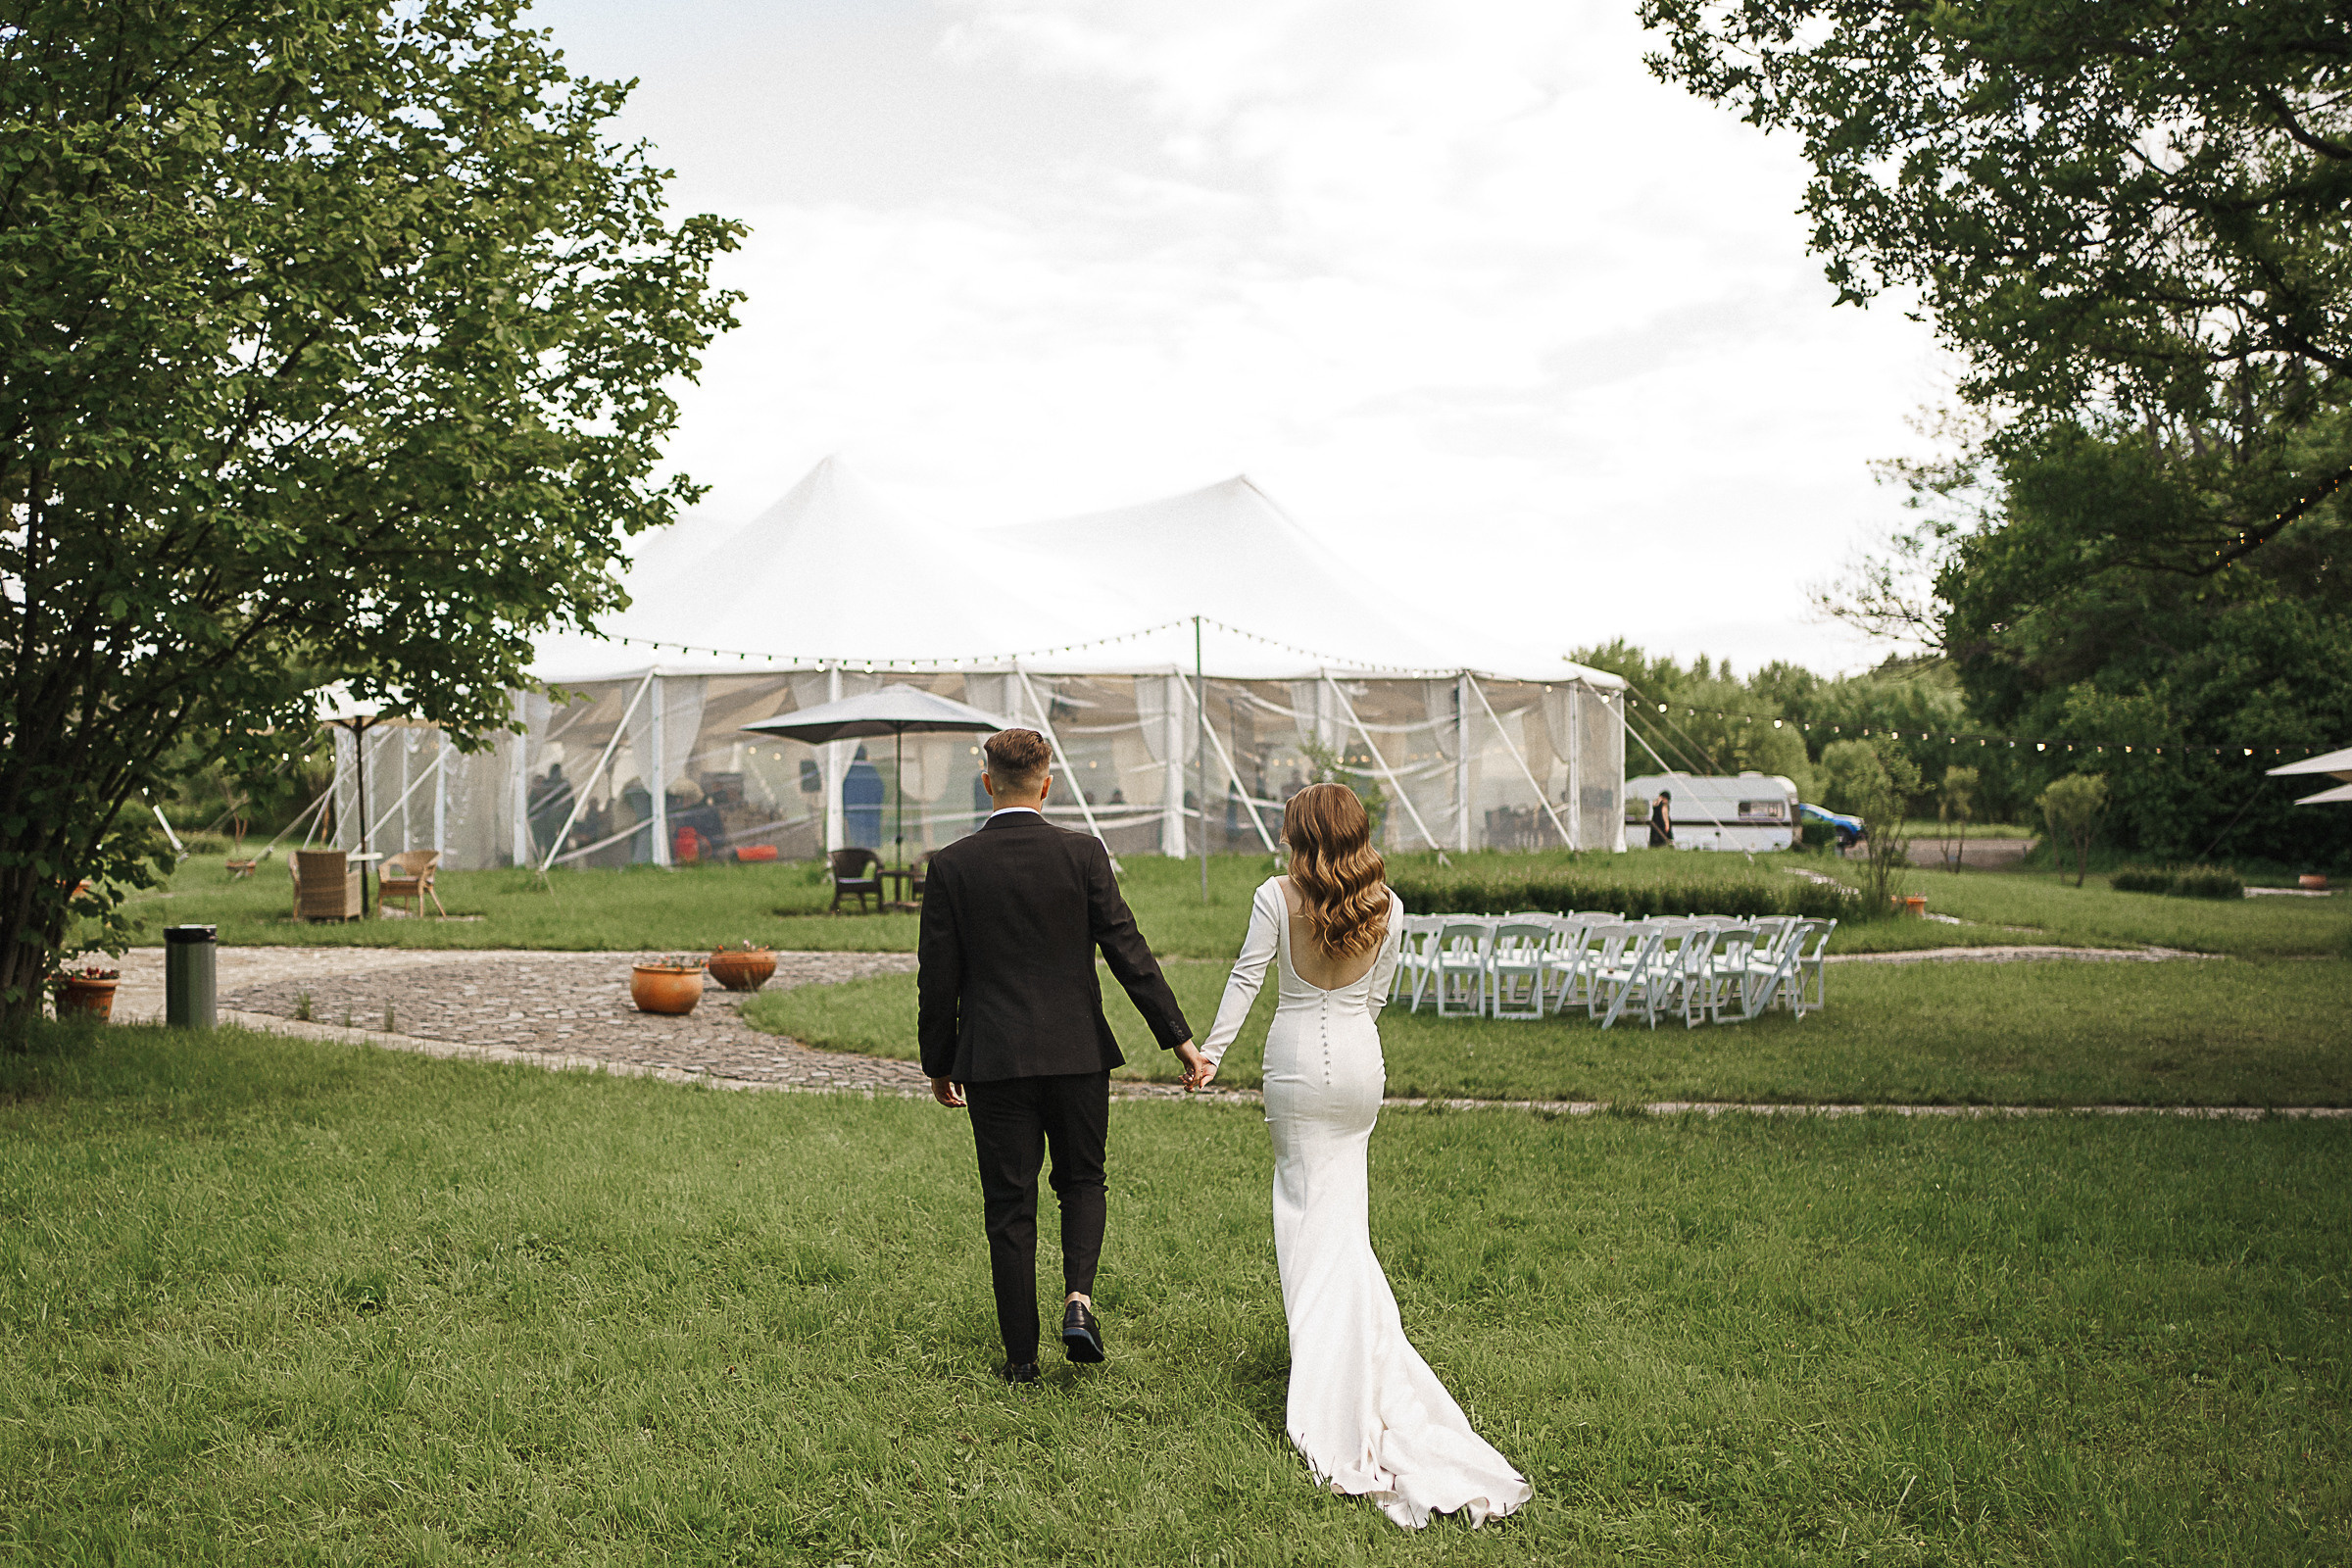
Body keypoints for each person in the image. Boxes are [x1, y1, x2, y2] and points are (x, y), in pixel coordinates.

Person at [1190, 784, 1532, 1530]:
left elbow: (1248, 978)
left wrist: (1210, 1054)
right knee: (1341, 1221)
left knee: (1307, 1221)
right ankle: (1357, 1358)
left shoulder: (1274, 897)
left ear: (1299, 833)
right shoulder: (1389, 905)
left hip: (1294, 1064)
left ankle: (1330, 1392)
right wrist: (1351, 1041)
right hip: (1359, 1064)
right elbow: (1376, 997)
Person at [918, 728, 1205, 1386]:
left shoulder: (953, 866)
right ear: (1046, 783)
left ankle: (1022, 1361)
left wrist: (939, 1060)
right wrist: (1179, 1039)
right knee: (1081, 1181)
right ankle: (1078, 1298)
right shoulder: (1083, 855)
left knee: (1009, 1206)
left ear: (987, 783)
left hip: (992, 1059)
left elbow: (937, 977)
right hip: (1078, 1053)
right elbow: (1128, 951)